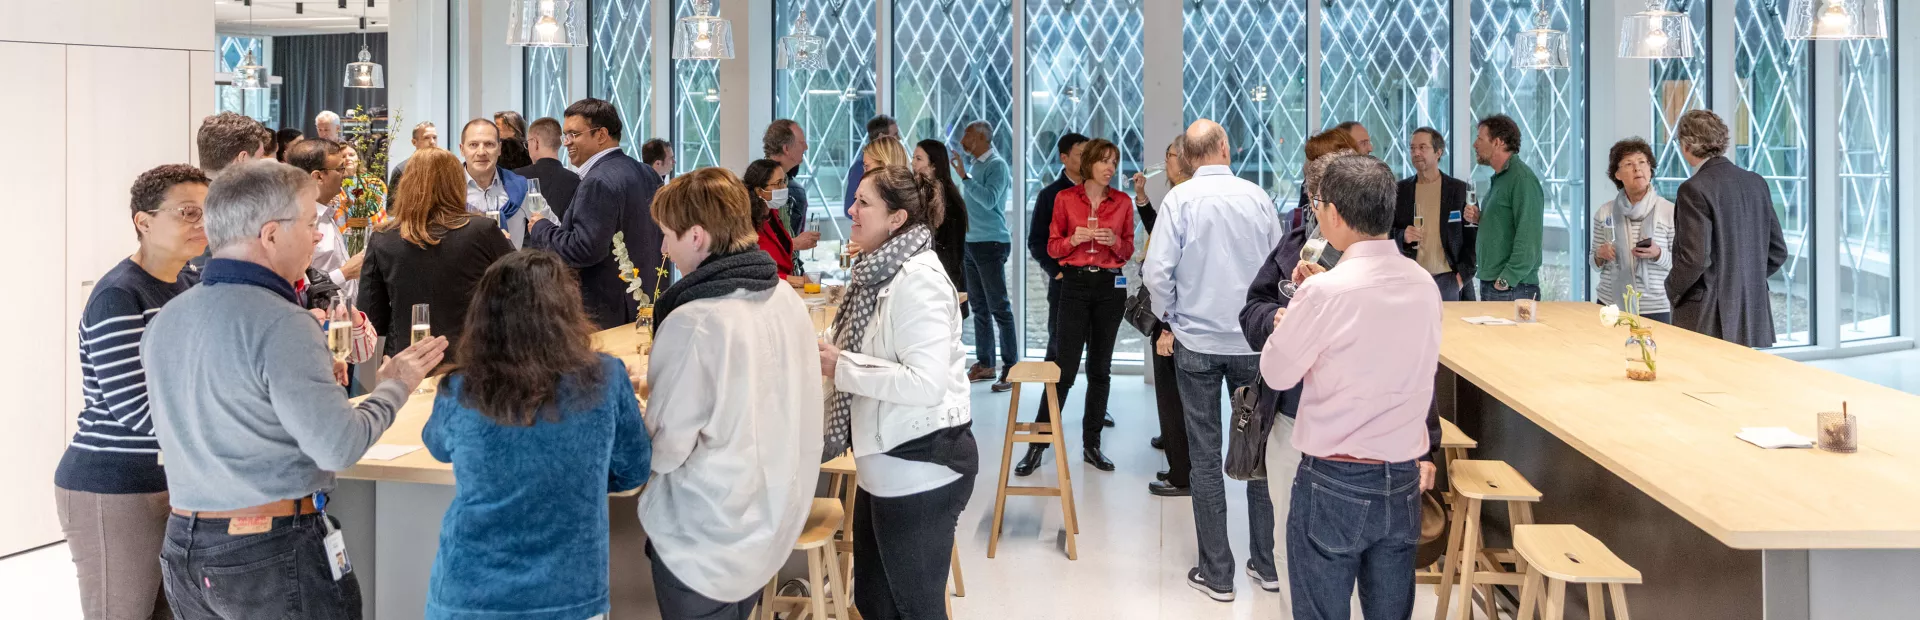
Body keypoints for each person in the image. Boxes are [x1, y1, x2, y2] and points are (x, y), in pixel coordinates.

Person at [145, 160, 447, 620]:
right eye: (309, 224)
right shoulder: (283, 322)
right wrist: (395, 385)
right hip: (269, 548)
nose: (318, 237)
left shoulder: (169, 317)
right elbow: (338, 446)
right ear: (270, 235)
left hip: (185, 546)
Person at [421, 249, 651, 620]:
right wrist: (579, 476)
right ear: (566, 310)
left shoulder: (460, 386)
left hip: (469, 593)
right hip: (570, 592)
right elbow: (634, 469)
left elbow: (438, 447)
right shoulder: (605, 378)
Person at [1260, 155, 1440, 619]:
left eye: (1318, 204)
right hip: (1401, 479)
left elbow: (1277, 372)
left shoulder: (1324, 293)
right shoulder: (1424, 285)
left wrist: (1300, 306)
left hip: (1334, 480)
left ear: (1334, 213)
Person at [644, 168, 824, 620]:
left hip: (704, 544)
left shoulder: (695, 320)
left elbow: (663, 451)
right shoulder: (784, 296)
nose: (664, 248)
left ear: (698, 237)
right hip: (767, 529)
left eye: (668, 235)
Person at [817, 165, 977, 620]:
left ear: (898, 219)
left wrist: (841, 366)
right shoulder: (876, 275)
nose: (851, 210)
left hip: (921, 466)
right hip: (885, 468)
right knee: (874, 604)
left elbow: (925, 383)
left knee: (915, 609)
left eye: (864, 203)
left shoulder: (918, 279)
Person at [51, 165, 209, 620]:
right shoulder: (119, 295)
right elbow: (134, 408)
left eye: (206, 213)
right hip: (113, 485)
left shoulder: (189, 282)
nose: (201, 224)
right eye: (187, 213)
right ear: (144, 222)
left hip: (170, 478)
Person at [1142, 119, 1284, 603]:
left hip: (1197, 344)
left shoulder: (1179, 200)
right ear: (1224, 147)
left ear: (1186, 154)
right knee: (1258, 454)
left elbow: (1155, 271)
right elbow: (1279, 267)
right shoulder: (1257, 197)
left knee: (1204, 457)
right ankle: (1266, 566)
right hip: (1252, 343)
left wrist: (1171, 318)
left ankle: (1217, 573)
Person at [358, 148, 515, 356]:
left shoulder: (383, 238)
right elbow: (518, 291)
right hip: (473, 359)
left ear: (406, 185)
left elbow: (371, 316)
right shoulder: (483, 231)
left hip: (407, 360)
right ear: (457, 184)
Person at [528, 98, 668, 329]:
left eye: (573, 134)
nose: (566, 143)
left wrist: (541, 227)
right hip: (647, 303)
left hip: (607, 312)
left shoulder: (598, 181)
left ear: (601, 135)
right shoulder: (646, 172)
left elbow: (584, 249)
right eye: (565, 135)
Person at [1040, 138, 1133, 472]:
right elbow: (1052, 247)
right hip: (1075, 285)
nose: (1110, 168)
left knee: (1100, 369)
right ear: (1090, 163)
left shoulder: (1123, 202)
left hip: (1110, 287)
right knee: (1062, 368)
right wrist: (1073, 240)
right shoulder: (1065, 199)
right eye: (1104, 161)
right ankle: (1037, 444)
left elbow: (1127, 251)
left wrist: (1116, 242)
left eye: (1114, 162)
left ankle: (1091, 445)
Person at [1667, 109, 1789, 347]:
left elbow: (1694, 259)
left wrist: (1672, 287)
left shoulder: (1694, 189)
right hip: (1750, 308)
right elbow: (1778, 251)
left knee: (1701, 382)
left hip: (1706, 313)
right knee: (1740, 380)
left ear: (1685, 145)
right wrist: (1744, 279)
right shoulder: (1756, 182)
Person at [1131, 139, 1191, 497]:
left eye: (1168, 154)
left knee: (1173, 392)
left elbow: (1169, 264)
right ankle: (1179, 455)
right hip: (1186, 312)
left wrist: (1165, 322)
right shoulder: (1181, 196)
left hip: (1173, 313)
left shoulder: (1183, 198)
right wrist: (1142, 199)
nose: (1163, 160)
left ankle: (1181, 471)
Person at [1017, 132, 1089, 404]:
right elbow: (1035, 242)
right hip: (1064, 283)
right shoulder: (1050, 195)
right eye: (1081, 154)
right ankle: (1049, 411)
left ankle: (1097, 410)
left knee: (1096, 356)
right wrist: (1056, 271)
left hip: (1097, 285)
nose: (1086, 160)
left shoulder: (1101, 193)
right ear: (1064, 158)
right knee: (1058, 347)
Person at [951, 122, 1017, 389]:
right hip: (971, 243)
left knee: (999, 308)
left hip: (991, 243)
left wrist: (965, 178)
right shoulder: (976, 165)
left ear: (980, 138)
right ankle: (986, 364)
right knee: (979, 308)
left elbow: (990, 200)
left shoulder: (997, 165)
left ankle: (1011, 368)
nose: (962, 138)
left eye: (966, 134)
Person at [1592, 138, 1677, 323]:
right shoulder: (1604, 212)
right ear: (1618, 174)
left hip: (1656, 307)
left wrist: (1658, 253)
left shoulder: (1669, 211)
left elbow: (1679, 265)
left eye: (1642, 163)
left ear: (1650, 169)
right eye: (1629, 164)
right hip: (1611, 304)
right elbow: (1593, 262)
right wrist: (1600, 254)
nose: (1637, 169)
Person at [1467, 114, 1545, 301]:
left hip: (1512, 288)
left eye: (1480, 138)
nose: (1474, 144)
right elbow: (1505, 226)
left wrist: (1505, 281)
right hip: (1497, 284)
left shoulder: (1522, 180)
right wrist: (1481, 219)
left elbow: (1529, 239)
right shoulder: (1501, 179)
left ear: (1498, 142)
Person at [1393, 127, 1477, 301]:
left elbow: (1474, 239)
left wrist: (1460, 279)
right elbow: (1383, 232)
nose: (1416, 152)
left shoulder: (1460, 190)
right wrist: (1402, 235)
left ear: (1438, 152)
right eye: (1412, 148)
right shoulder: (1399, 191)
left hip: (1448, 279)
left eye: (1422, 147)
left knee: (1450, 329)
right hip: (1410, 279)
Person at [286, 140, 362, 299]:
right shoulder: (298, 223)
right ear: (318, 176)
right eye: (340, 168)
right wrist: (346, 273)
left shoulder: (325, 211)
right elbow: (299, 288)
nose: (345, 174)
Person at [457, 119, 532, 247]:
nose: (481, 152)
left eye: (489, 144)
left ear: (499, 149)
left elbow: (550, 229)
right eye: (473, 145)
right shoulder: (447, 190)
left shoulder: (522, 188)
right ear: (462, 149)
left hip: (510, 266)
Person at [912, 139, 969, 294]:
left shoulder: (949, 200)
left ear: (934, 165)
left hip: (944, 285)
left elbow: (953, 253)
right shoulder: (917, 195)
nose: (913, 163)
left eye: (918, 159)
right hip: (926, 282)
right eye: (913, 158)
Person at [743, 159, 806, 281]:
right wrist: (791, 280)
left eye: (784, 181)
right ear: (759, 191)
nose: (784, 187)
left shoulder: (773, 214)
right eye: (778, 183)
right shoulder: (747, 224)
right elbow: (752, 271)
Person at [761, 119, 820, 244]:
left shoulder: (765, 178)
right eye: (801, 143)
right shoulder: (769, 187)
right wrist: (795, 244)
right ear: (786, 148)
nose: (806, 147)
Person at [515, 117, 582, 221]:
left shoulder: (516, 178)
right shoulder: (576, 181)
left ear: (535, 142)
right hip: (563, 236)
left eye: (527, 144)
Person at [844, 115, 899, 212]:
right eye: (895, 134)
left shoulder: (893, 165)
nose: (899, 138)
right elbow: (849, 208)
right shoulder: (859, 168)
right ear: (882, 136)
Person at [196, 112, 273, 176]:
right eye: (260, 157)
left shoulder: (187, 192)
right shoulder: (259, 193)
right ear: (242, 158)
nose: (262, 164)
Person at [389, 121, 440, 194]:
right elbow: (392, 204)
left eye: (434, 137)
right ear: (414, 142)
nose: (432, 142)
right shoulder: (402, 170)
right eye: (426, 138)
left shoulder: (445, 168)